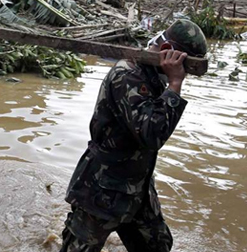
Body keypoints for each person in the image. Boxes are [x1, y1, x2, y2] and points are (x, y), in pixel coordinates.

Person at [59, 19, 207, 252]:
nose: (185, 74)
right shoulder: (127, 75)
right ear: (169, 52)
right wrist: (175, 83)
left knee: (157, 245)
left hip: (137, 186)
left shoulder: (153, 75)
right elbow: (152, 135)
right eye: (186, 67)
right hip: (102, 186)